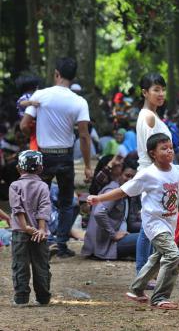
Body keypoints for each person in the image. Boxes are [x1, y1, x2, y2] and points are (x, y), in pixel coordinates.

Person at [87, 133, 179, 309]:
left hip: (169, 224)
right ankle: (160, 297)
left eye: (171, 147)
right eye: (163, 148)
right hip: (153, 224)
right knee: (173, 255)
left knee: (158, 257)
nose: (169, 151)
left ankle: (136, 289)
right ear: (153, 154)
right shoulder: (147, 174)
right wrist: (99, 198)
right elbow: (124, 191)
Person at [20, 57, 92, 258]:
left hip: (43, 156)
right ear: (73, 76)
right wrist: (87, 166)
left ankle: (38, 241)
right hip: (66, 156)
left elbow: (24, 125)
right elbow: (84, 136)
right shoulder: (79, 101)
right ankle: (61, 245)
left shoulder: (40, 95)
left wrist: (32, 135)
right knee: (66, 201)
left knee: (37, 199)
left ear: (56, 73)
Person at [135, 72, 172, 275]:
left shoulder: (151, 115)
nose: (161, 93)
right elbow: (153, 149)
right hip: (153, 174)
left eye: (162, 89)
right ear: (144, 92)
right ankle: (142, 271)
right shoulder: (148, 116)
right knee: (147, 227)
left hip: (154, 173)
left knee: (152, 225)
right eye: (156, 89)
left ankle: (147, 270)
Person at [9, 150, 51, 306]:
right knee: (41, 265)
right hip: (39, 233)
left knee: (20, 264)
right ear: (40, 168)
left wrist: (25, 226)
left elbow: (16, 208)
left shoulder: (15, 186)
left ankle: (21, 298)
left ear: (19, 168)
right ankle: (43, 298)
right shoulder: (43, 186)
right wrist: (40, 229)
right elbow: (44, 208)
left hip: (20, 232)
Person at [82, 160, 139, 260]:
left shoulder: (128, 193)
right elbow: (99, 213)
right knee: (149, 238)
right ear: (120, 174)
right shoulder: (113, 190)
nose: (130, 180)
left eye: (133, 177)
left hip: (120, 237)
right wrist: (113, 234)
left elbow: (131, 222)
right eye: (127, 175)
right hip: (108, 244)